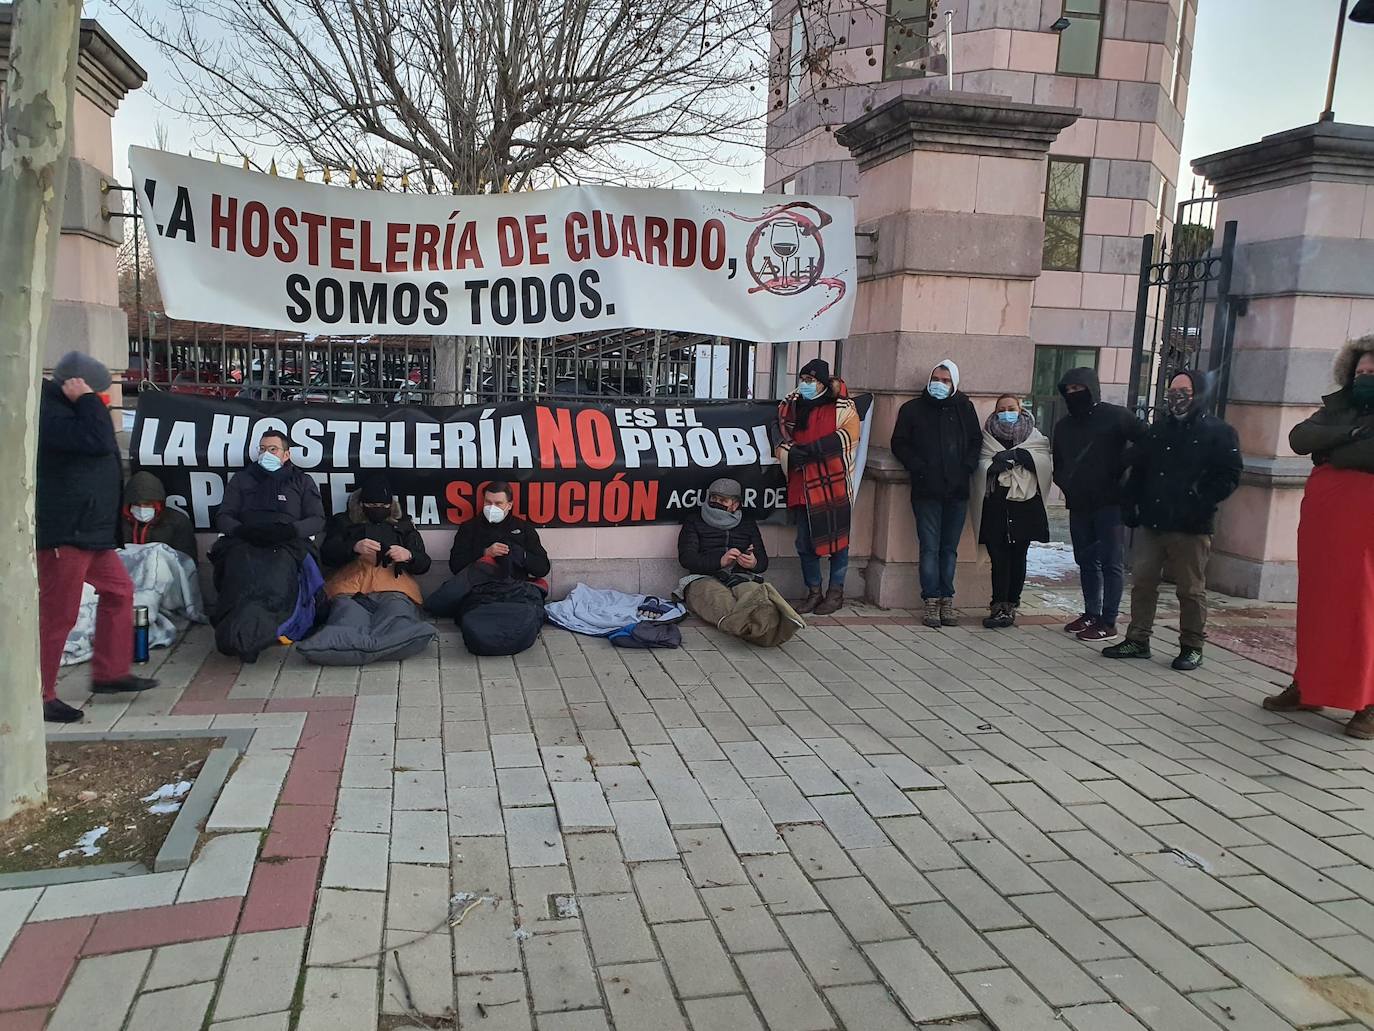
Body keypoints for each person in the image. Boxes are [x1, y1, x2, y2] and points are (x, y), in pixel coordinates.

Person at [37, 352, 157, 723]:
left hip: (90, 532)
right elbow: (96, 441)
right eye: (98, 391)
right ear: (76, 384)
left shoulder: (74, 409)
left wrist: (87, 402)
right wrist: (88, 401)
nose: (103, 399)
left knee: (120, 591)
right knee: (58, 617)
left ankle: (110, 673)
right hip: (65, 532)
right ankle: (39, 695)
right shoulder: (50, 412)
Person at [1265, 337, 1374, 738]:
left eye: (1373, 373)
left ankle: (1368, 702)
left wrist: (1338, 444)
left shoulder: (1338, 417)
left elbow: (1362, 454)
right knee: (1318, 601)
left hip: (1366, 518)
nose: (1366, 377)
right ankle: (1310, 685)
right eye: (1361, 371)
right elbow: (1300, 439)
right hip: (1326, 517)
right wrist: (1353, 433)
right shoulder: (1338, 406)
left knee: (1363, 605)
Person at [1103, 369, 1241, 670]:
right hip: (1154, 520)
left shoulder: (1218, 432)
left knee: (1190, 589)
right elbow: (1140, 469)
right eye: (1172, 391)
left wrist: (1198, 498)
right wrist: (1129, 501)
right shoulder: (1159, 429)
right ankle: (1138, 639)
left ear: (1198, 395)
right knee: (1143, 581)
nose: (1176, 397)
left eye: (1184, 391)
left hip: (1191, 525)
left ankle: (1192, 645)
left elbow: (1229, 475)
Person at [210, 429, 326, 660]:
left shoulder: (301, 481)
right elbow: (224, 516)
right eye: (262, 449)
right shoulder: (242, 479)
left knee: (276, 578)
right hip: (245, 542)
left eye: (273, 449)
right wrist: (241, 530)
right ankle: (238, 631)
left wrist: (290, 530)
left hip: (286, 545)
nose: (266, 454)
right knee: (240, 575)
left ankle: (267, 627)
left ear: (286, 454)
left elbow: (317, 520)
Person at [1053, 367, 1145, 643]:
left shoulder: (1116, 416)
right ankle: (1091, 612)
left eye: (1078, 389)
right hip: (1079, 504)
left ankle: (1109, 620)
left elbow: (1146, 440)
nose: (1073, 394)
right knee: (1085, 560)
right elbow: (1059, 461)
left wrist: (1125, 463)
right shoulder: (1064, 426)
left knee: (1110, 562)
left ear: (1091, 388)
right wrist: (1065, 483)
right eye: (1068, 390)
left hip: (1110, 503)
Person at [890, 359, 981, 628]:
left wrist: (967, 466)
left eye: (945, 380)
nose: (939, 384)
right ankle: (930, 599)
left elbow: (976, 441)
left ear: (954, 384)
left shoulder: (965, 408)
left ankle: (946, 600)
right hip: (926, 490)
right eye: (936, 379)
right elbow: (899, 443)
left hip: (957, 490)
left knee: (949, 549)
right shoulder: (912, 409)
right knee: (929, 547)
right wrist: (918, 467)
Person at [777, 358, 861, 616]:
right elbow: (779, 434)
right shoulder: (790, 405)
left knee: (839, 542)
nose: (806, 385)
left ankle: (835, 593)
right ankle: (814, 592)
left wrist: (812, 450)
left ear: (823, 383)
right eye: (803, 379)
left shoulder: (842, 406)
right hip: (803, 483)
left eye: (811, 380)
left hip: (832, 483)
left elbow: (848, 436)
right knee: (805, 542)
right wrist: (791, 453)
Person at [677, 478, 804, 646]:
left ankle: (768, 620)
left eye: (723, 500)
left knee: (756, 598)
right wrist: (719, 561)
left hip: (740, 576)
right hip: (702, 578)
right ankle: (771, 630)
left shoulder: (747, 523)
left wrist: (752, 563)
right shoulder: (694, 521)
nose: (716, 503)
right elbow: (687, 559)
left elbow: (762, 562)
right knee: (724, 604)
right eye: (713, 498)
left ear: (735, 504)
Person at [430, 482, 551, 656]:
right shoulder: (469, 528)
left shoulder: (523, 529)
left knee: (526, 617)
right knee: (473, 620)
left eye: (498, 503)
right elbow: (455, 566)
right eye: (488, 502)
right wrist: (484, 553)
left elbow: (543, 568)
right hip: (481, 593)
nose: (492, 507)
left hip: (515, 591)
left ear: (509, 505)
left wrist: (521, 555)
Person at [969, 395, 1051, 629]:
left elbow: (1043, 461)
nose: (1006, 412)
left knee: (1018, 556)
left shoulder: (1033, 435)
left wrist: (1020, 456)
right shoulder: (987, 437)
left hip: (1024, 504)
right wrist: (993, 466)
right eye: (1001, 409)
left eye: (1011, 408)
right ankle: (997, 605)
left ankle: (1011, 604)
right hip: (995, 503)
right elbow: (981, 464)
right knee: (998, 556)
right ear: (995, 412)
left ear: (1020, 409)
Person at [320, 473, 431, 604]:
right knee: (347, 615)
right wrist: (353, 547)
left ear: (391, 505)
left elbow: (424, 563)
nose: (378, 509)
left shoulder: (403, 524)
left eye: (384, 506)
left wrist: (409, 556)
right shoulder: (344, 521)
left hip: (394, 586)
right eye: (372, 505)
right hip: (349, 587)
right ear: (361, 504)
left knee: (398, 615)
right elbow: (327, 555)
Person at [121, 470, 198, 561]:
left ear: (157, 504)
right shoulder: (119, 523)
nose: (141, 508)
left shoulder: (177, 522)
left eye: (147, 504)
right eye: (136, 504)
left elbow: (187, 560)